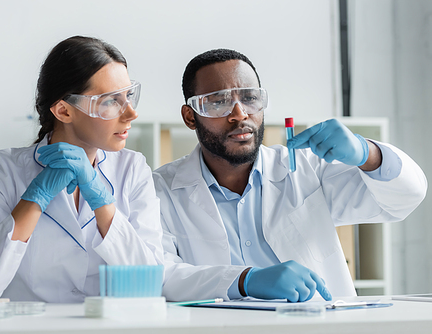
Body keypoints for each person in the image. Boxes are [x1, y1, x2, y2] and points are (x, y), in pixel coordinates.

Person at [154, 49, 427, 302]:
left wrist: (367, 153)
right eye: (218, 102)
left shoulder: (307, 170)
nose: (240, 114)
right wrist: (243, 280)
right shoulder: (161, 190)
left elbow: (405, 198)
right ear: (190, 117)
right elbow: (161, 275)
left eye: (250, 98)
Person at [0, 36, 163, 302]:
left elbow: (150, 285)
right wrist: (34, 198)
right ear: (64, 111)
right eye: (111, 101)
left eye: (128, 96)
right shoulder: (6, 169)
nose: (131, 113)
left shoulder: (133, 169)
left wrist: (103, 202)